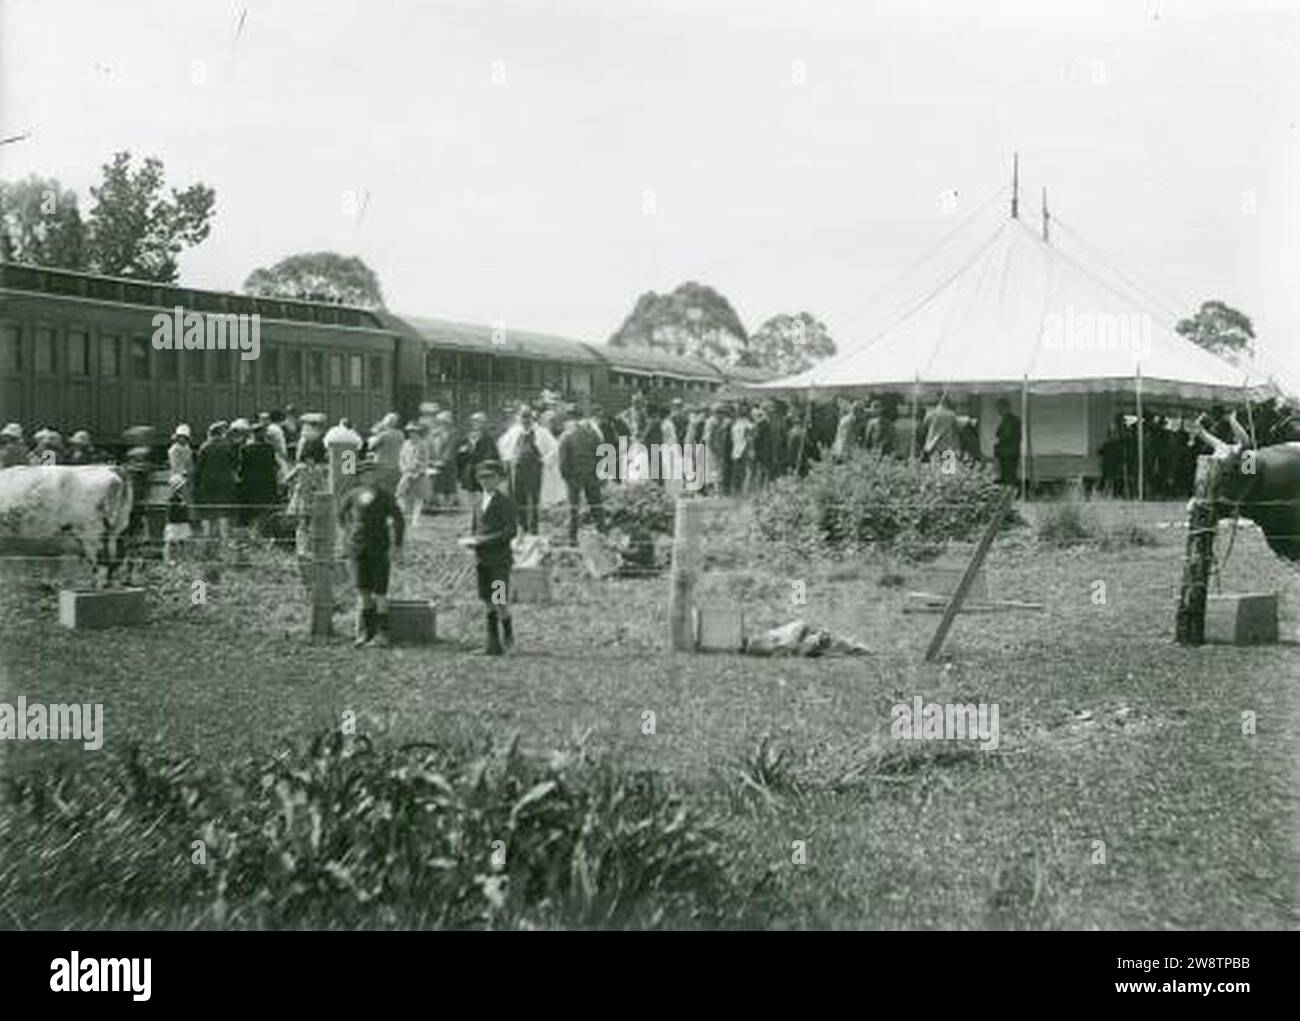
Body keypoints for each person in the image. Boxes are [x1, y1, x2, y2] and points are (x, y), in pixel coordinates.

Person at [338, 460, 405, 647]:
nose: (370, 477)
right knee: (363, 591)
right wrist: (348, 532)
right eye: (366, 474)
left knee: (380, 592)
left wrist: (397, 545)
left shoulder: (384, 496)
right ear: (360, 477)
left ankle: (383, 634)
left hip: (379, 547)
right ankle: (366, 633)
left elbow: (399, 519)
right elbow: (341, 514)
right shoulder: (352, 495)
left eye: (373, 473)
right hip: (357, 548)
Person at [459, 459, 517, 656]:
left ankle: (508, 637)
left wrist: (483, 541)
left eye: (491, 477)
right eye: (482, 478)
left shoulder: (505, 502)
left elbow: (511, 531)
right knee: (487, 600)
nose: (486, 481)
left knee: (499, 599)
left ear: (499, 479)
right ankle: (492, 644)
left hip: (499, 559)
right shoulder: (477, 502)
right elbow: (475, 528)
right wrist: (472, 542)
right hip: (482, 559)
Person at [559, 410, 606, 545]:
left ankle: (572, 538)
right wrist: (601, 475)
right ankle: (602, 533)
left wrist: (566, 476)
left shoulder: (566, 436)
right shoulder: (592, 434)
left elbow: (563, 460)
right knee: (596, 505)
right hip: (591, 474)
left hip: (574, 476)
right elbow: (601, 455)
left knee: (573, 508)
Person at [498, 406, 547, 534]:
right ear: (519, 418)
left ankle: (533, 529)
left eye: (528, 417)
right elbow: (502, 445)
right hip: (517, 470)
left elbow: (553, 448)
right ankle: (522, 526)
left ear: (532, 418)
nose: (526, 420)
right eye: (523, 417)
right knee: (518, 498)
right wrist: (509, 458)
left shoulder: (541, 432)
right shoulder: (513, 432)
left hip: (534, 470)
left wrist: (544, 459)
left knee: (533, 499)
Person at [194, 421, 238, 540]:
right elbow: (234, 464)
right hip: (225, 484)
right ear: (220, 433)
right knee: (223, 513)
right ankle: (224, 542)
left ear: (210, 433)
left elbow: (198, 468)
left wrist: (196, 485)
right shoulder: (227, 446)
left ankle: (207, 542)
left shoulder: (204, 447)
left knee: (207, 514)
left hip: (207, 484)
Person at [236, 422, 280, 533]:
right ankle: (263, 531)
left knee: (251, 510)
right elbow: (274, 465)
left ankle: (253, 532)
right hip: (267, 483)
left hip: (251, 484)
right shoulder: (269, 448)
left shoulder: (245, 449)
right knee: (265, 509)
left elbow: (241, 468)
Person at [396, 421, 432, 529]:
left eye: (414, 431)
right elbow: (401, 458)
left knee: (419, 497)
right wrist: (404, 470)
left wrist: (417, 472)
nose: (412, 433)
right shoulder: (406, 443)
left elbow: (423, 459)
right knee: (401, 495)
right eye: (410, 431)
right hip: (406, 473)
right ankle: (402, 517)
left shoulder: (422, 444)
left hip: (419, 474)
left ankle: (416, 520)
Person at [457, 412, 497, 492]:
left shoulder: (488, 438)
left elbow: (491, 455)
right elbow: (461, 454)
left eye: (478, 421)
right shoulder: (468, 437)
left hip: (482, 470)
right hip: (469, 471)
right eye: (474, 421)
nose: (475, 424)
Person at [367, 412, 404, 495]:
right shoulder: (401, 434)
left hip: (382, 465)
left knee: (376, 486)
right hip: (396, 465)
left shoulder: (383, 435)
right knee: (393, 488)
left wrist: (375, 434)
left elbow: (370, 447)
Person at [922, 393, 960, 464]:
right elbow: (957, 429)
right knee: (948, 471)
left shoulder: (930, 414)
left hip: (932, 446)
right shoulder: (951, 416)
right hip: (948, 446)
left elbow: (924, 427)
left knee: (933, 471)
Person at [993, 398, 1021, 486]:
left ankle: (1009, 494)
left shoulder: (1008, 420)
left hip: (1007, 452)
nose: (998, 411)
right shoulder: (1015, 419)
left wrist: (998, 445)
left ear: (1004, 408)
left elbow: (1005, 435)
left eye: (999, 408)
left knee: (1008, 476)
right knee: (1011, 474)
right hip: (1013, 451)